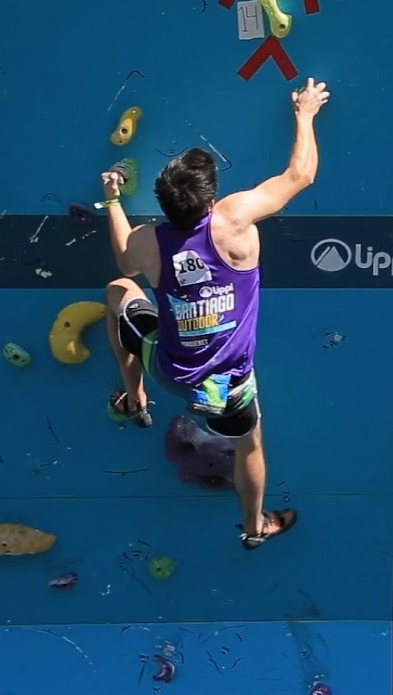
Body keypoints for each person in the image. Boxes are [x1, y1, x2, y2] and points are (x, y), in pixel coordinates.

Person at [99, 77, 331, 550]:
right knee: (250, 446)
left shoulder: (149, 242)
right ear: (208, 202)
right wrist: (305, 114)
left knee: (118, 292)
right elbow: (300, 176)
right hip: (229, 388)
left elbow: (124, 262)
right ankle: (254, 528)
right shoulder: (234, 219)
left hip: (170, 370)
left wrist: (112, 198)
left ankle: (135, 397)